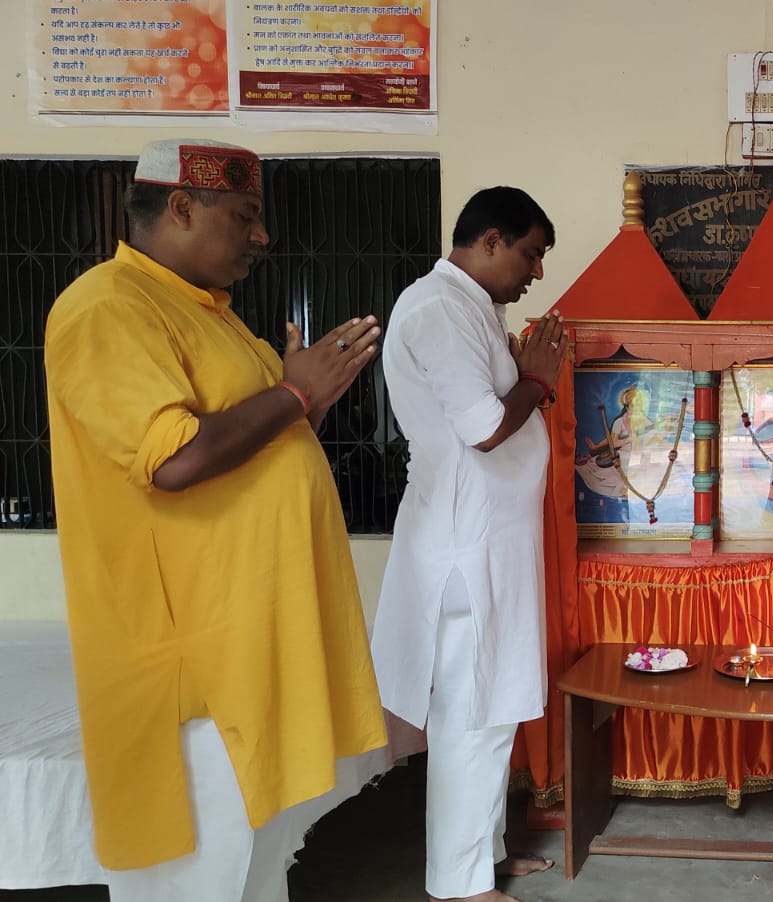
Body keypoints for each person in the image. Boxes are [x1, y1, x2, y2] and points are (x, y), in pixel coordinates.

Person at [44, 138, 388, 901]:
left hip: (254, 649)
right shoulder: (107, 307)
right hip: (195, 670)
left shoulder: (212, 316)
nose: (262, 236)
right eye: (244, 215)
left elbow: (252, 447)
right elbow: (174, 460)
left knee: (260, 872)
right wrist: (293, 395)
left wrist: (303, 405)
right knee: (202, 879)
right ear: (179, 206)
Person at [371, 186, 568, 902]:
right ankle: (458, 884)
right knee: (468, 715)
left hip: (493, 541)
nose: (536, 272)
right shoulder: (438, 308)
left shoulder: (472, 308)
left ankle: (483, 858)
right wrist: (537, 380)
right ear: (489, 241)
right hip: (464, 547)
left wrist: (528, 376)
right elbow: (484, 428)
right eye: (530, 254)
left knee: (494, 707)